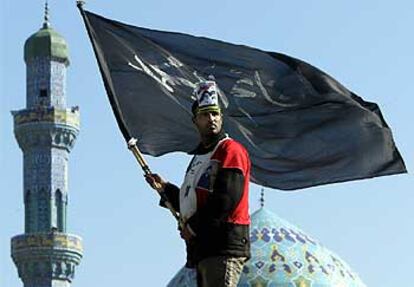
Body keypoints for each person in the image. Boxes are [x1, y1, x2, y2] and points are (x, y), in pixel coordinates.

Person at [146, 79, 251, 287]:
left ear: (221, 118)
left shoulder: (230, 151)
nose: (211, 119)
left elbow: (225, 199)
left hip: (223, 245)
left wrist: (193, 228)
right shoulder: (200, 159)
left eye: (215, 114)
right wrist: (165, 189)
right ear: (195, 121)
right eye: (204, 115)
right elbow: (194, 203)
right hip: (205, 248)